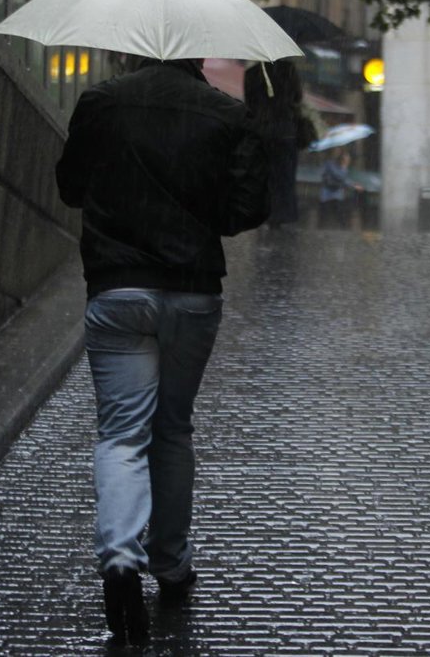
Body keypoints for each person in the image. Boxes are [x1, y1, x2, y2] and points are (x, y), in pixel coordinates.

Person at [55, 57, 270, 646]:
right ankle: (171, 565)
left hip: (118, 286)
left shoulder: (100, 102)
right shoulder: (227, 114)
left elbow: (70, 187)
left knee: (123, 434)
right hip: (193, 292)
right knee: (172, 429)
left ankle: (119, 559)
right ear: (194, 54)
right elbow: (246, 210)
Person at [242, 60, 305, 227]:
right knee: (285, 176)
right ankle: (283, 214)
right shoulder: (289, 69)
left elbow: (250, 103)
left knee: (264, 176)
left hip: (262, 132)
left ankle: (266, 213)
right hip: (285, 131)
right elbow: (297, 97)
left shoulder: (252, 74)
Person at [318, 147, 363, 229]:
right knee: (326, 213)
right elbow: (340, 177)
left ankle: (342, 229)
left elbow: (344, 179)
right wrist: (344, 166)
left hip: (336, 193)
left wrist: (354, 185)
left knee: (338, 213)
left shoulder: (339, 165)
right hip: (328, 192)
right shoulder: (330, 164)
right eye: (335, 151)